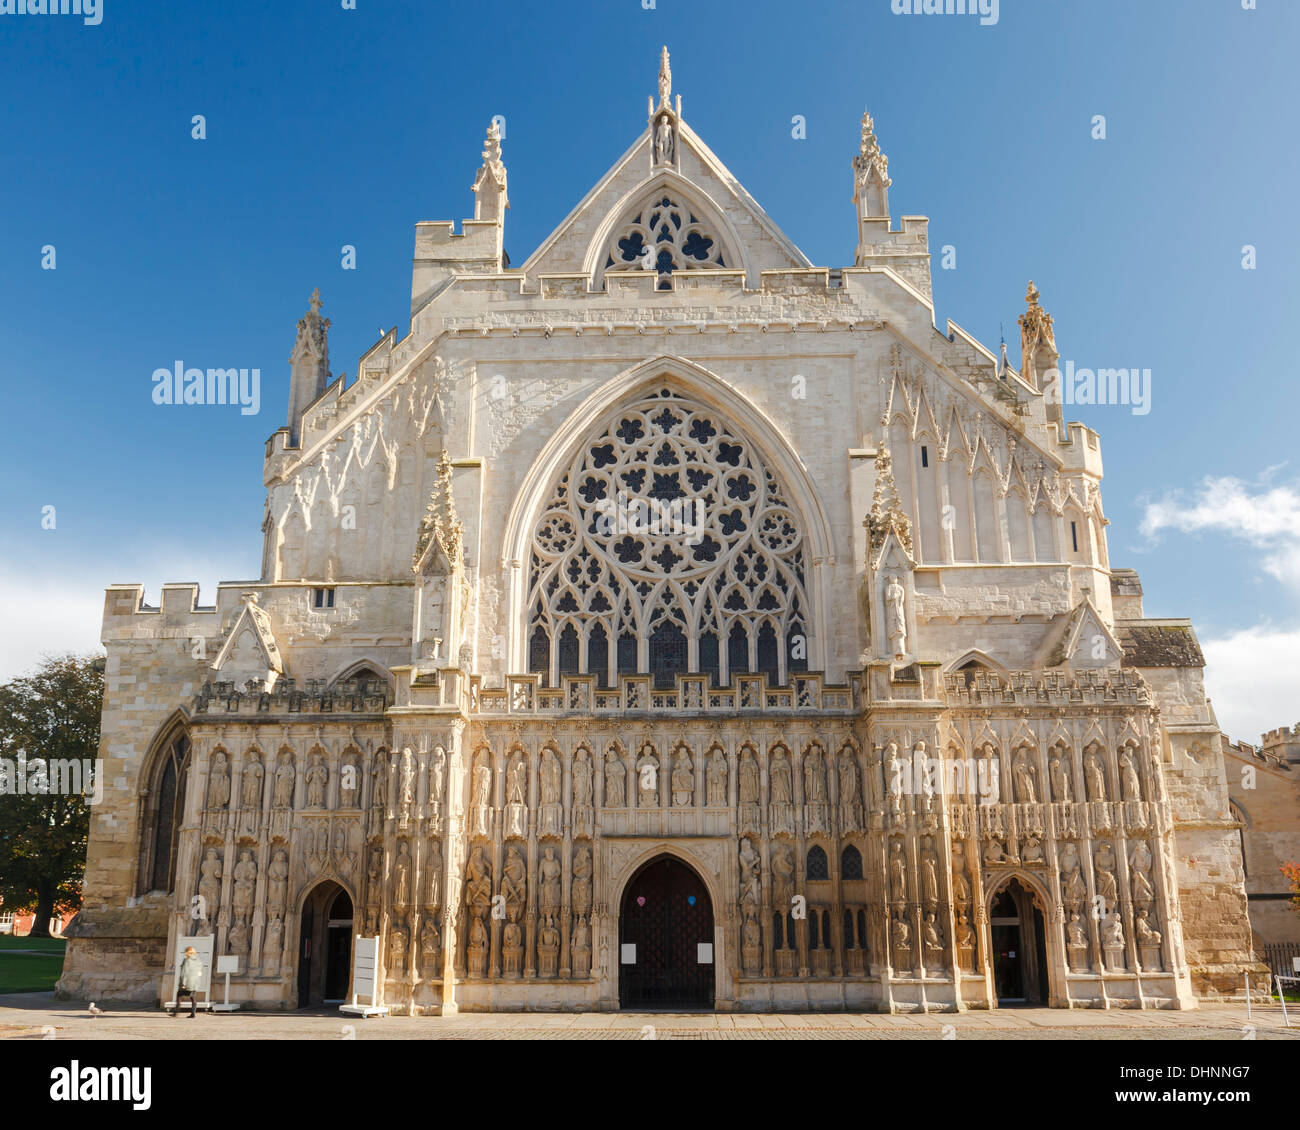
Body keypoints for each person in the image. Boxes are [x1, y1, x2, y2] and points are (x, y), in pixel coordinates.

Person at [174, 946, 203, 1018]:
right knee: (193, 998)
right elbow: (199, 971)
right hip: (194, 983)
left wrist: (183, 983)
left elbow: (184, 972)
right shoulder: (198, 960)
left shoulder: (187, 960)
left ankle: (176, 1012)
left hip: (187, 982)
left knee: (179, 996)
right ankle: (193, 1013)